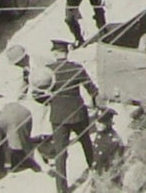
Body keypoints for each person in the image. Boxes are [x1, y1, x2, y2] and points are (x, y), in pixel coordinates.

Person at [34, 39, 99, 193]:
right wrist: (96, 106)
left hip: (58, 117)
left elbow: (36, 94)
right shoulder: (76, 68)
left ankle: (61, 189)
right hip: (78, 113)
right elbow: (92, 90)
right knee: (87, 145)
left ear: (55, 53)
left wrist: (50, 101)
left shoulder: (47, 71)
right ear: (66, 52)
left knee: (60, 153)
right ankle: (96, 173)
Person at [0, 96, 40, 174]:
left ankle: (11, 162)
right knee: (24, 140)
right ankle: (34, 162)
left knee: (6, 141)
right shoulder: (7, 100)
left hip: (8, 116)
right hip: (25, 113)